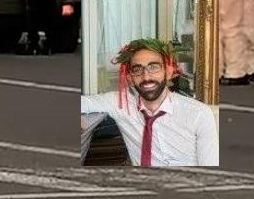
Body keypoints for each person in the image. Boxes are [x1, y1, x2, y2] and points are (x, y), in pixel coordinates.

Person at [80, 38, 219, 166]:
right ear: (129, 77)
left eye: (153, 67)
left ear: (168, 72)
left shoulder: (199, 114)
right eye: (137, 69)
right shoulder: (120, 103)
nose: (146, 76)